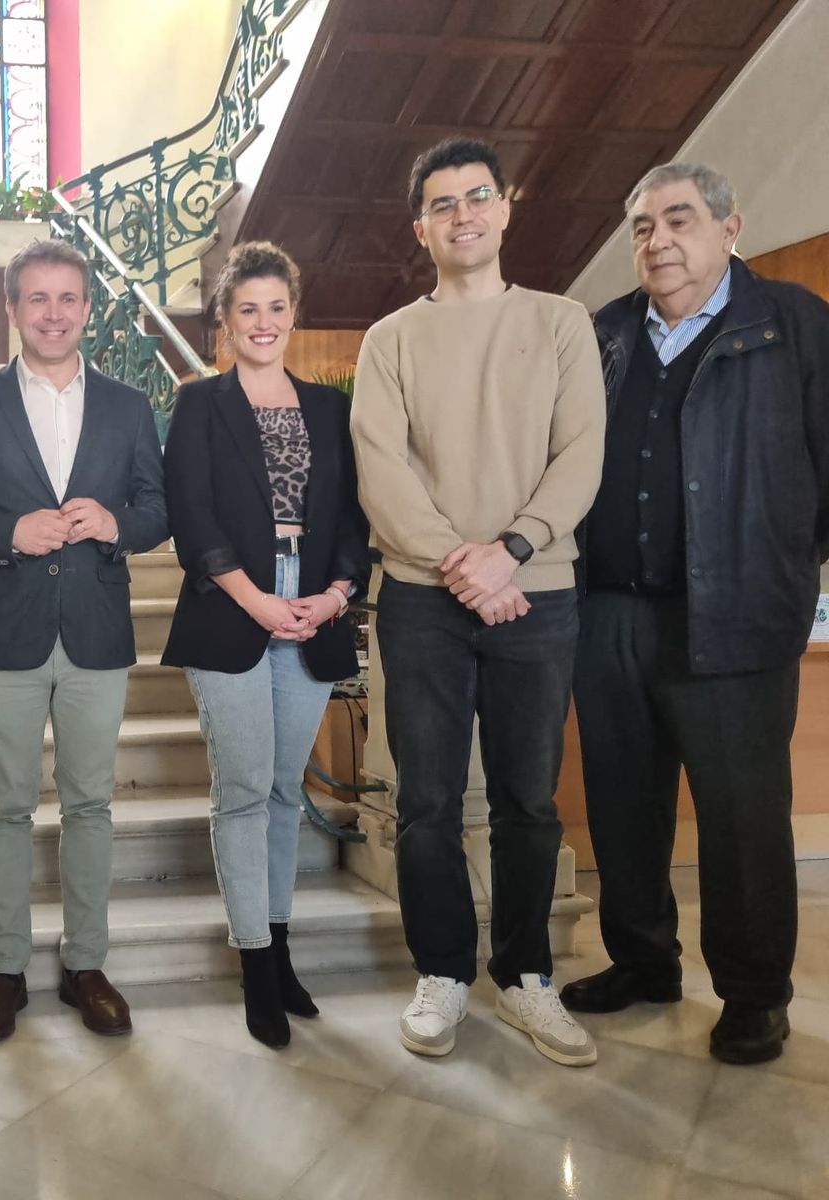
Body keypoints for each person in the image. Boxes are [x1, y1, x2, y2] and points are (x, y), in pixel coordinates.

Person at [561, 162, 829, 1065]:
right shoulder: (603, 333)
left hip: (739, 613)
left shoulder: (792, 325)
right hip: (613, 616)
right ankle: (643, 962)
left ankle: (755, 994)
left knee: (743, 816)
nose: (657, 240)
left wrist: (789, 564)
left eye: (678, 220)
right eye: (641, 226)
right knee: (624, 805)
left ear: (730, 228)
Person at [350, 137, 605, 1067]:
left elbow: (580, 454)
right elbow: (382, 469)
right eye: (443, 204)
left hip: (538, 597)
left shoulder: (562, 322)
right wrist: (464, 563)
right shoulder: (390, 340)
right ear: (422, 228)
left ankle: (527, 974)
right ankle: (445, 971)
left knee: (528, 801)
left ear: (506, 208)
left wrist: (513, 553)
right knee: (424, 801)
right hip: (423, 601)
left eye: (478, 196)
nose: (463, 214)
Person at [0, 239, 168, 1042]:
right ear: (12, 309)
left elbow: (157, 510)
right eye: (38, 299)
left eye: (69, 298)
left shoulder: (132, 407)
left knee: (90, 802)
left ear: (88, 308)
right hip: (9, 631)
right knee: (6, 804)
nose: (54, 313)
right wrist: (10, 532)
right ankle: (5, 969)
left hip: (98, 630)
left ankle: (85, 964)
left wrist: (115, 526)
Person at [161, 241, 370, 1048]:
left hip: (314, 611)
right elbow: (193, 516)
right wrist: (257, 600)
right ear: (224, 320)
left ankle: (281, 953)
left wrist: (334, 595)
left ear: (294, 314)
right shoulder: (201, 405)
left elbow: (354, 518)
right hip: (231, 608)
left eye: (276, 307)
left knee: (288, 793)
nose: (264, 322)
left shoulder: (328, 409)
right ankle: (253, 963)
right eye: (247, 308)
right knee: (243, 791)